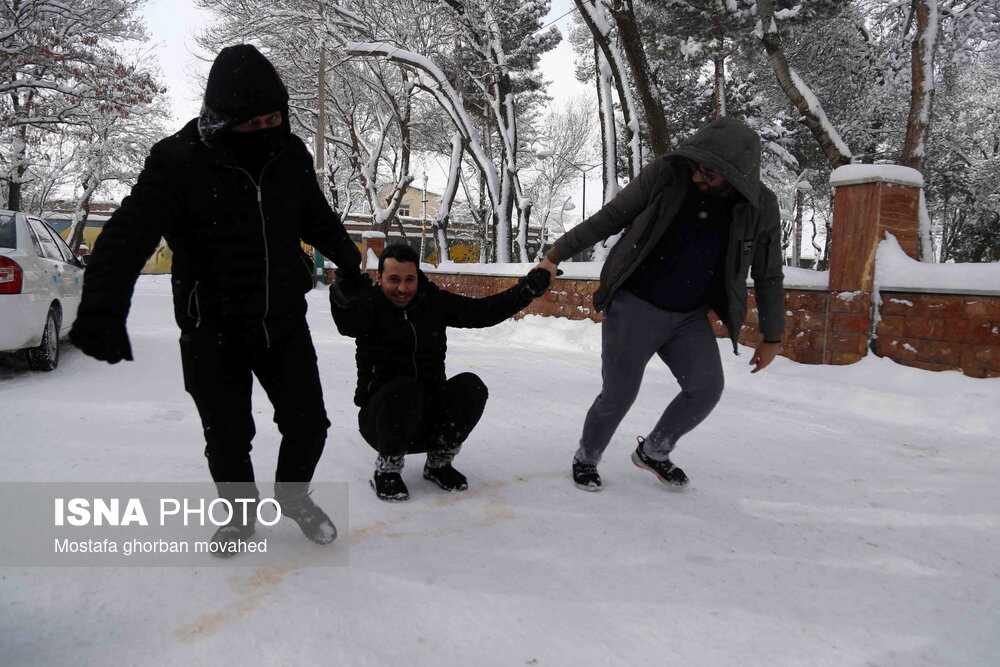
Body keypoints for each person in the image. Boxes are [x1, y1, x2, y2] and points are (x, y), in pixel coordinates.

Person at [69, 45, 363, 552]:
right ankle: (239, 516)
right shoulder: (178, 161)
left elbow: (313, 212)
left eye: (276, 116)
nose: (267, 129)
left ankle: (293, 498)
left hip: (283, 324)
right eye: (254, 122)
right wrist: (102, 304)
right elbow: (128, 233)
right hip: (212, 332)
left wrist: (350, 259)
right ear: (222, 120)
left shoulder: (289, 153)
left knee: (309, 425)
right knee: (228, 439)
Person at [535, 117, 785, 492]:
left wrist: (773, 336)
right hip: (635, 305)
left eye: (712, 174)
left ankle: (655, 450)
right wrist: (554, 255)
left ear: (739, 175)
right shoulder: (669, 174)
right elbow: (613, 216)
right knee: (618, 395)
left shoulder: (760, 207)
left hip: (688, 317)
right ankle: (586, 456)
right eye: (699, 167)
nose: (700, 177)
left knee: (706, 388)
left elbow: (769, 273)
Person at [330, 244, 550, 501]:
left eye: (409, 279)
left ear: (418, 277)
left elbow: (482, 313)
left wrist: (527, 291)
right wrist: (342, 285)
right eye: (394, 279)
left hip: (428, 416)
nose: (402, 288)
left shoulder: (432, 302)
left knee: (471, 386)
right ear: (380, 278)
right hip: (380, 421)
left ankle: (439, 463)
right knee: (406, 389)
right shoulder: (369, 305)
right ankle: (387, 469)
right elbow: (347, 321)